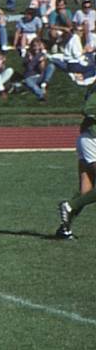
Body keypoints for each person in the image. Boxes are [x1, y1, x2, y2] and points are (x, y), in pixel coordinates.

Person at [56, 87, 96, 238]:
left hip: (88, 138)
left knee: (85, 191)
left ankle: (64, 229)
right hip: (92, 138)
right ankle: (69, 206)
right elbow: (88, 108)